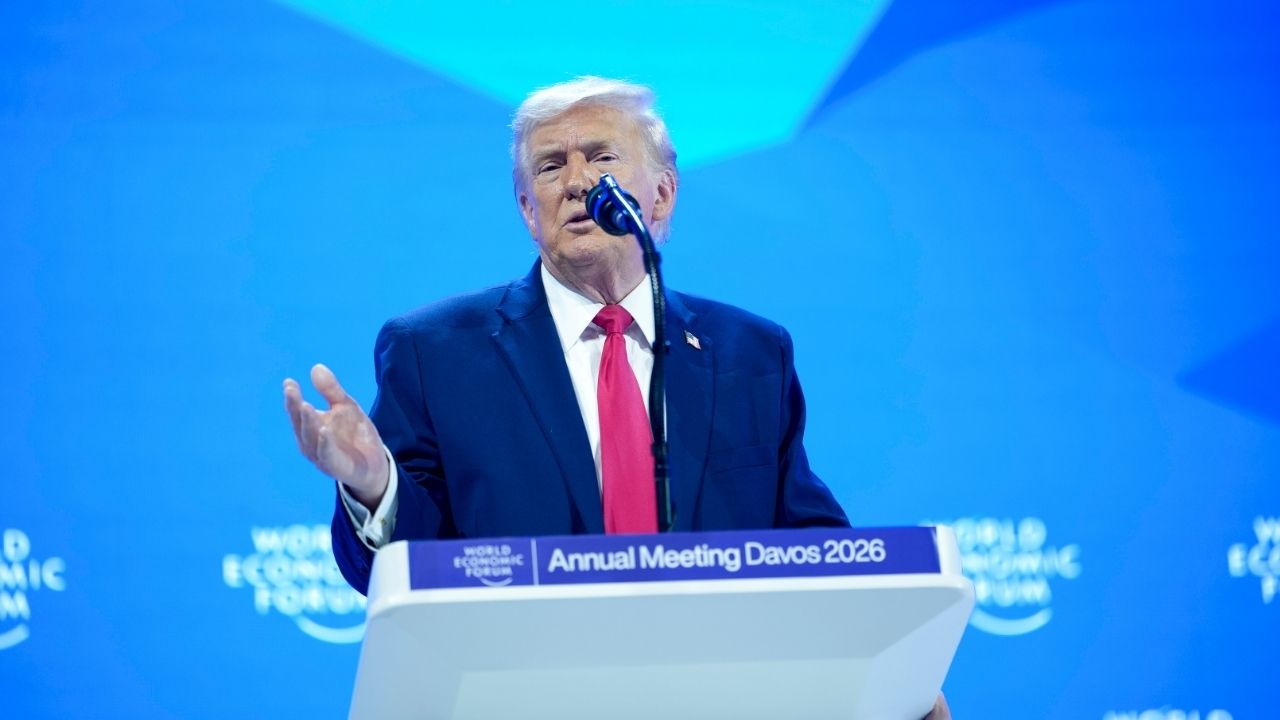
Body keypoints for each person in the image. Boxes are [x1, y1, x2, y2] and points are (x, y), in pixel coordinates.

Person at [283, 77, 950, 719]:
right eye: (550, 166)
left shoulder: (749, 352)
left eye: (602, 156)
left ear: (661, 195)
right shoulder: (435, 352)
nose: (576, 181)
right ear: (527, 210)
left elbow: (811, 546)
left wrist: (889, 676)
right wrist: (375, 486)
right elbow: (404, 576)